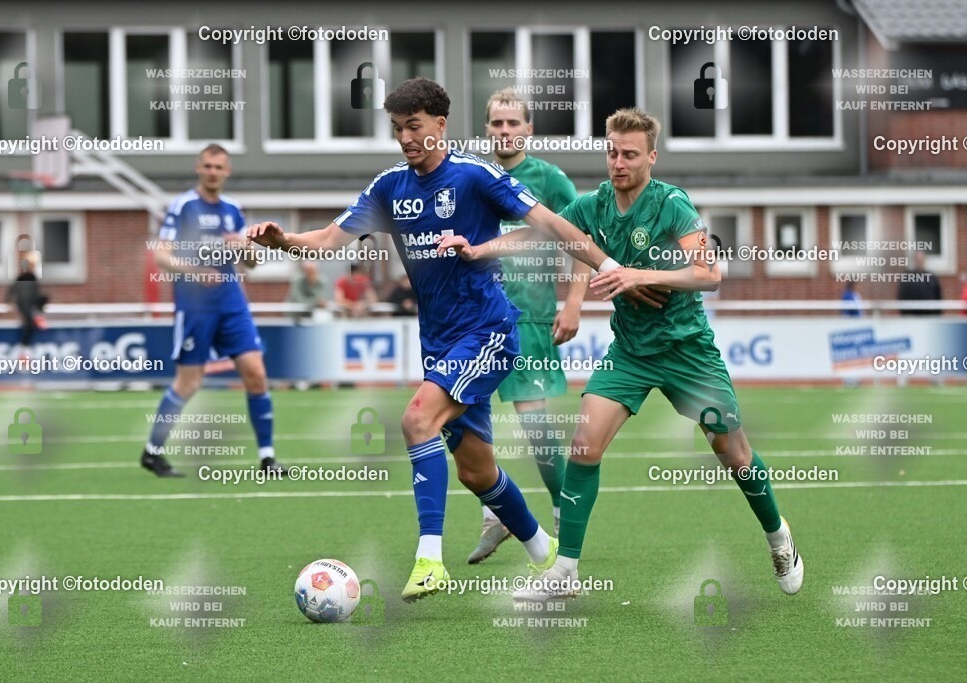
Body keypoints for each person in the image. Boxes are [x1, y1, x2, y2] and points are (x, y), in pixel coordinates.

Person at [247, 78, 618, 602]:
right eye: (397, 128)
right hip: (439, 341)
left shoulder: (474, 175)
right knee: (476, 471)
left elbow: (547, 225)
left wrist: (607, 266)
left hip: (487, 330)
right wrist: (282, 240)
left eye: (414, 126)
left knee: (416, 419)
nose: (405, 138)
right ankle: (550, 558)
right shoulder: (389, 187)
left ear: (440, 125)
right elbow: (328, 241)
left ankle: (429, 559)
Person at [446, 108, 804, 601]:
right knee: (585, 445)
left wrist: (640, 275)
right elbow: (541, 234)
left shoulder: (672, 203)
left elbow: (709, 274)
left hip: (687, 350)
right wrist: (479, 249)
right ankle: (565, 572)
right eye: (612, 151)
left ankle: (778, 536)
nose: (618, 162)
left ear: (651, 157)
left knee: (733, 454)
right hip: (630, 352)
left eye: (629, 154)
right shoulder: (593, 205)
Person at [466, 88, 589, 564]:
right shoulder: (473, 176)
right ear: (487, 128)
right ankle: (495, 517)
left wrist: (574, 302)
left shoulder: (548, 179)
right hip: (476, 318)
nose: (504, 131)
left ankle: (563, 514)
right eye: (496, 124)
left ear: (528, 129)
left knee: (536, 428)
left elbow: (582, 240)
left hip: (530, 319)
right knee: (467, 422)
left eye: (513, 123)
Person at [141, 143, 282, 477]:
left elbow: (252, 263)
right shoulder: (183, 206)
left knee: (256, 374)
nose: (213, 172)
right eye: (208, 166)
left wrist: (245, 247)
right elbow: (161, 256)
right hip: (194, 305)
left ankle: (267, 458)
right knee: (188, 383)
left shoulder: (233, 209)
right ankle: (153, 451)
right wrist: (195, 272)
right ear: (198, 168)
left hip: (232, 302)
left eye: (219, 167)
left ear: (227, 171)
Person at [6, 252, 48, 357]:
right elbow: (11, 292)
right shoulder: (23, 279)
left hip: (30, 304)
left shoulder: (31, 278)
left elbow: (37, 294)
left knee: (44, 298)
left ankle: (38, 315)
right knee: (28, 324)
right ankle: (24, 348)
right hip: (25, 305)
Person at [896, 251, 942, 316]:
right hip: (911, 317)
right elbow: (901, 296)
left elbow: (938, 296)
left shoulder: (931, 277)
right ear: (915, 261)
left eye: (921, 260)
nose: (920, 262)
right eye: (918, 260)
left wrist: (936, 314)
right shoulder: (907, 277)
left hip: (929, 316)